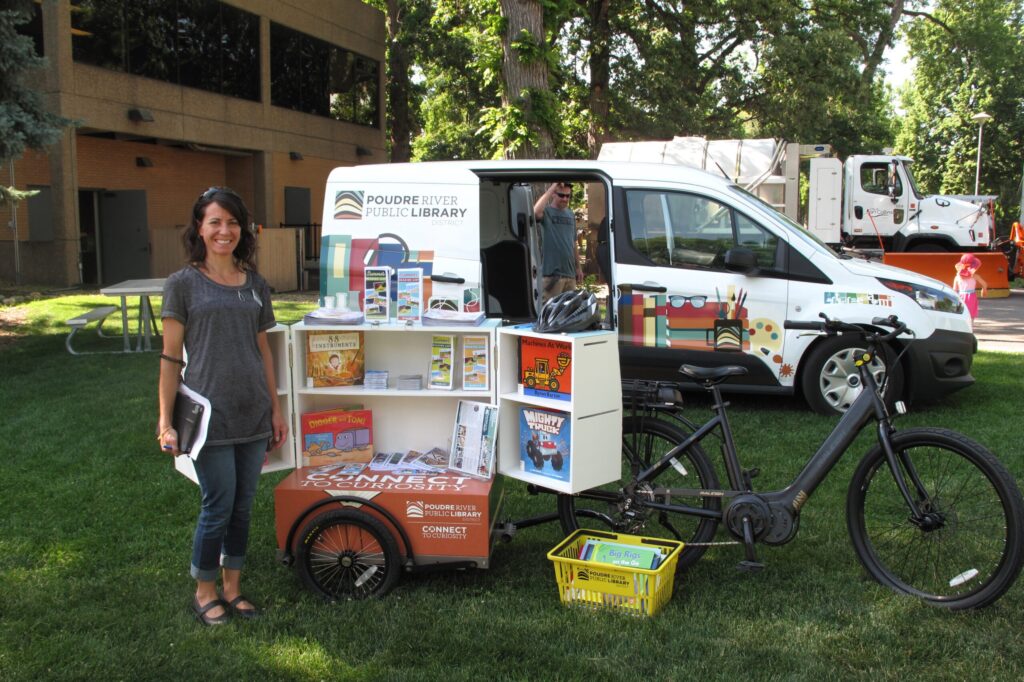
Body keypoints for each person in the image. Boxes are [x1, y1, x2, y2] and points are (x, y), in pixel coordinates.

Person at [157, 187, 287, 626]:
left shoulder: (254, 283)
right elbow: (171, 358)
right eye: (215, 222)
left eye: (232, 223)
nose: (224, 231)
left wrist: (274, 409)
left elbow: (263, 351)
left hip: (252, 410)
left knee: (243, 505)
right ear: (199, 228)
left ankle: (233, 588)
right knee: (217, 503)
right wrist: (164, 420)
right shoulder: (182, 285)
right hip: (208, 416)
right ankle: (204, 590)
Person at [534, 182, 583, 302]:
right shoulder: (547, 212)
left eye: (568, 196)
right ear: (553, 195)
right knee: (550, 314)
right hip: (552, 276)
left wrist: (578, 268)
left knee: (567, 315)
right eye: (561, 195)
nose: (565, 198)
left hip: (570, 275)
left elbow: (573, 242)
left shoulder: (571, 215)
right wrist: (553, 187)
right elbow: (535, 212)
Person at [952, 253, 988, 325]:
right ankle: (970, 326)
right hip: (971, 296)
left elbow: (954, 290)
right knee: (971, 314)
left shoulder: (957, 277)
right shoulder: (975, 276)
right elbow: (984, 284)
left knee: (961, 312)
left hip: (960, 296)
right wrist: (983, 290)